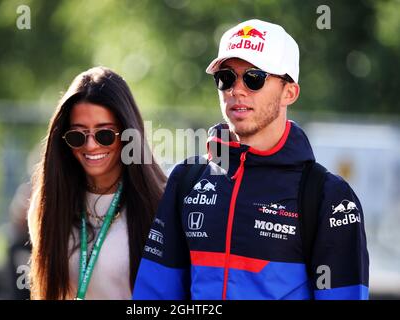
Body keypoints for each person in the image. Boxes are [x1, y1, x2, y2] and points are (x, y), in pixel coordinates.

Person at [133, 19, 369, 300]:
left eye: (254, 77)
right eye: (226, 77)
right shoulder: (186, 179)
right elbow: (155, 297)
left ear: (289, 92)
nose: (237, 90)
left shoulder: (328, 196)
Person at [27, 66, 166, 300]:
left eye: (105, 134)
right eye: (77, 135)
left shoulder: (162, 204)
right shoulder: (48, 205)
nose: (90, 146)